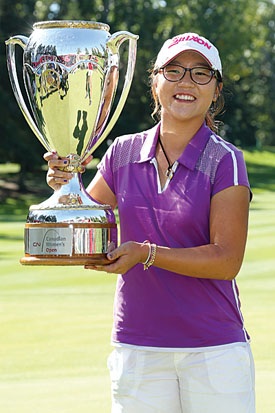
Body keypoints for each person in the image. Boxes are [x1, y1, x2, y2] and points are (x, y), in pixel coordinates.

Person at [45, 33, 255, 412]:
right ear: (155, 82)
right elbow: (85, 225)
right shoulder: (122, 153)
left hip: (213, 351)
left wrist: (146, 253)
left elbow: (227, 260)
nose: (186, 82)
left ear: (216, 90)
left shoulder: (226, 160)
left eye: (200, 73)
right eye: (173, 70)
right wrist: (67, 186)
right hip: (139, 347)